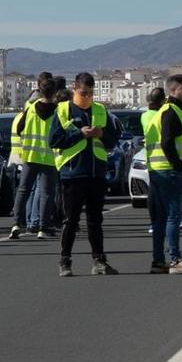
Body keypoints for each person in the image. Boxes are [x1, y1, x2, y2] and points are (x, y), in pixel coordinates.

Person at [51, 72, 119, 276]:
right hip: (72, 173)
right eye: (83, 93)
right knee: (71, 220)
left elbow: (112, 139)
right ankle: (65, 261)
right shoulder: (63, 110)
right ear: (74, 88)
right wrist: (79, 134)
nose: (87, 97)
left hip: (96, 173)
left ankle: (99, 260)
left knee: (95, 220)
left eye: (90, 93)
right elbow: (54, 140)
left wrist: (102, 134)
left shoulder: (100, 110)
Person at [149, 75, 182, 274]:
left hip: (158, 169)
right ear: (172, 90)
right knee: (173, 216)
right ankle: (175, 258)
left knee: (160, 218)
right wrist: (177, 164)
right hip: (168, 170)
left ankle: (158, 261)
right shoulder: (171, 112)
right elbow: (167, 142)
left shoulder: (173, 110)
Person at [9, 76, 59, 240]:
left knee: (23, 190)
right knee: (46, 194)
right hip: (49, 158)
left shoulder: (30, 108)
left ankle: (16, 223)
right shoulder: (58, 111)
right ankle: (42, 228)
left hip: (30, 156)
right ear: (54, 93)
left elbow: (19, 127)